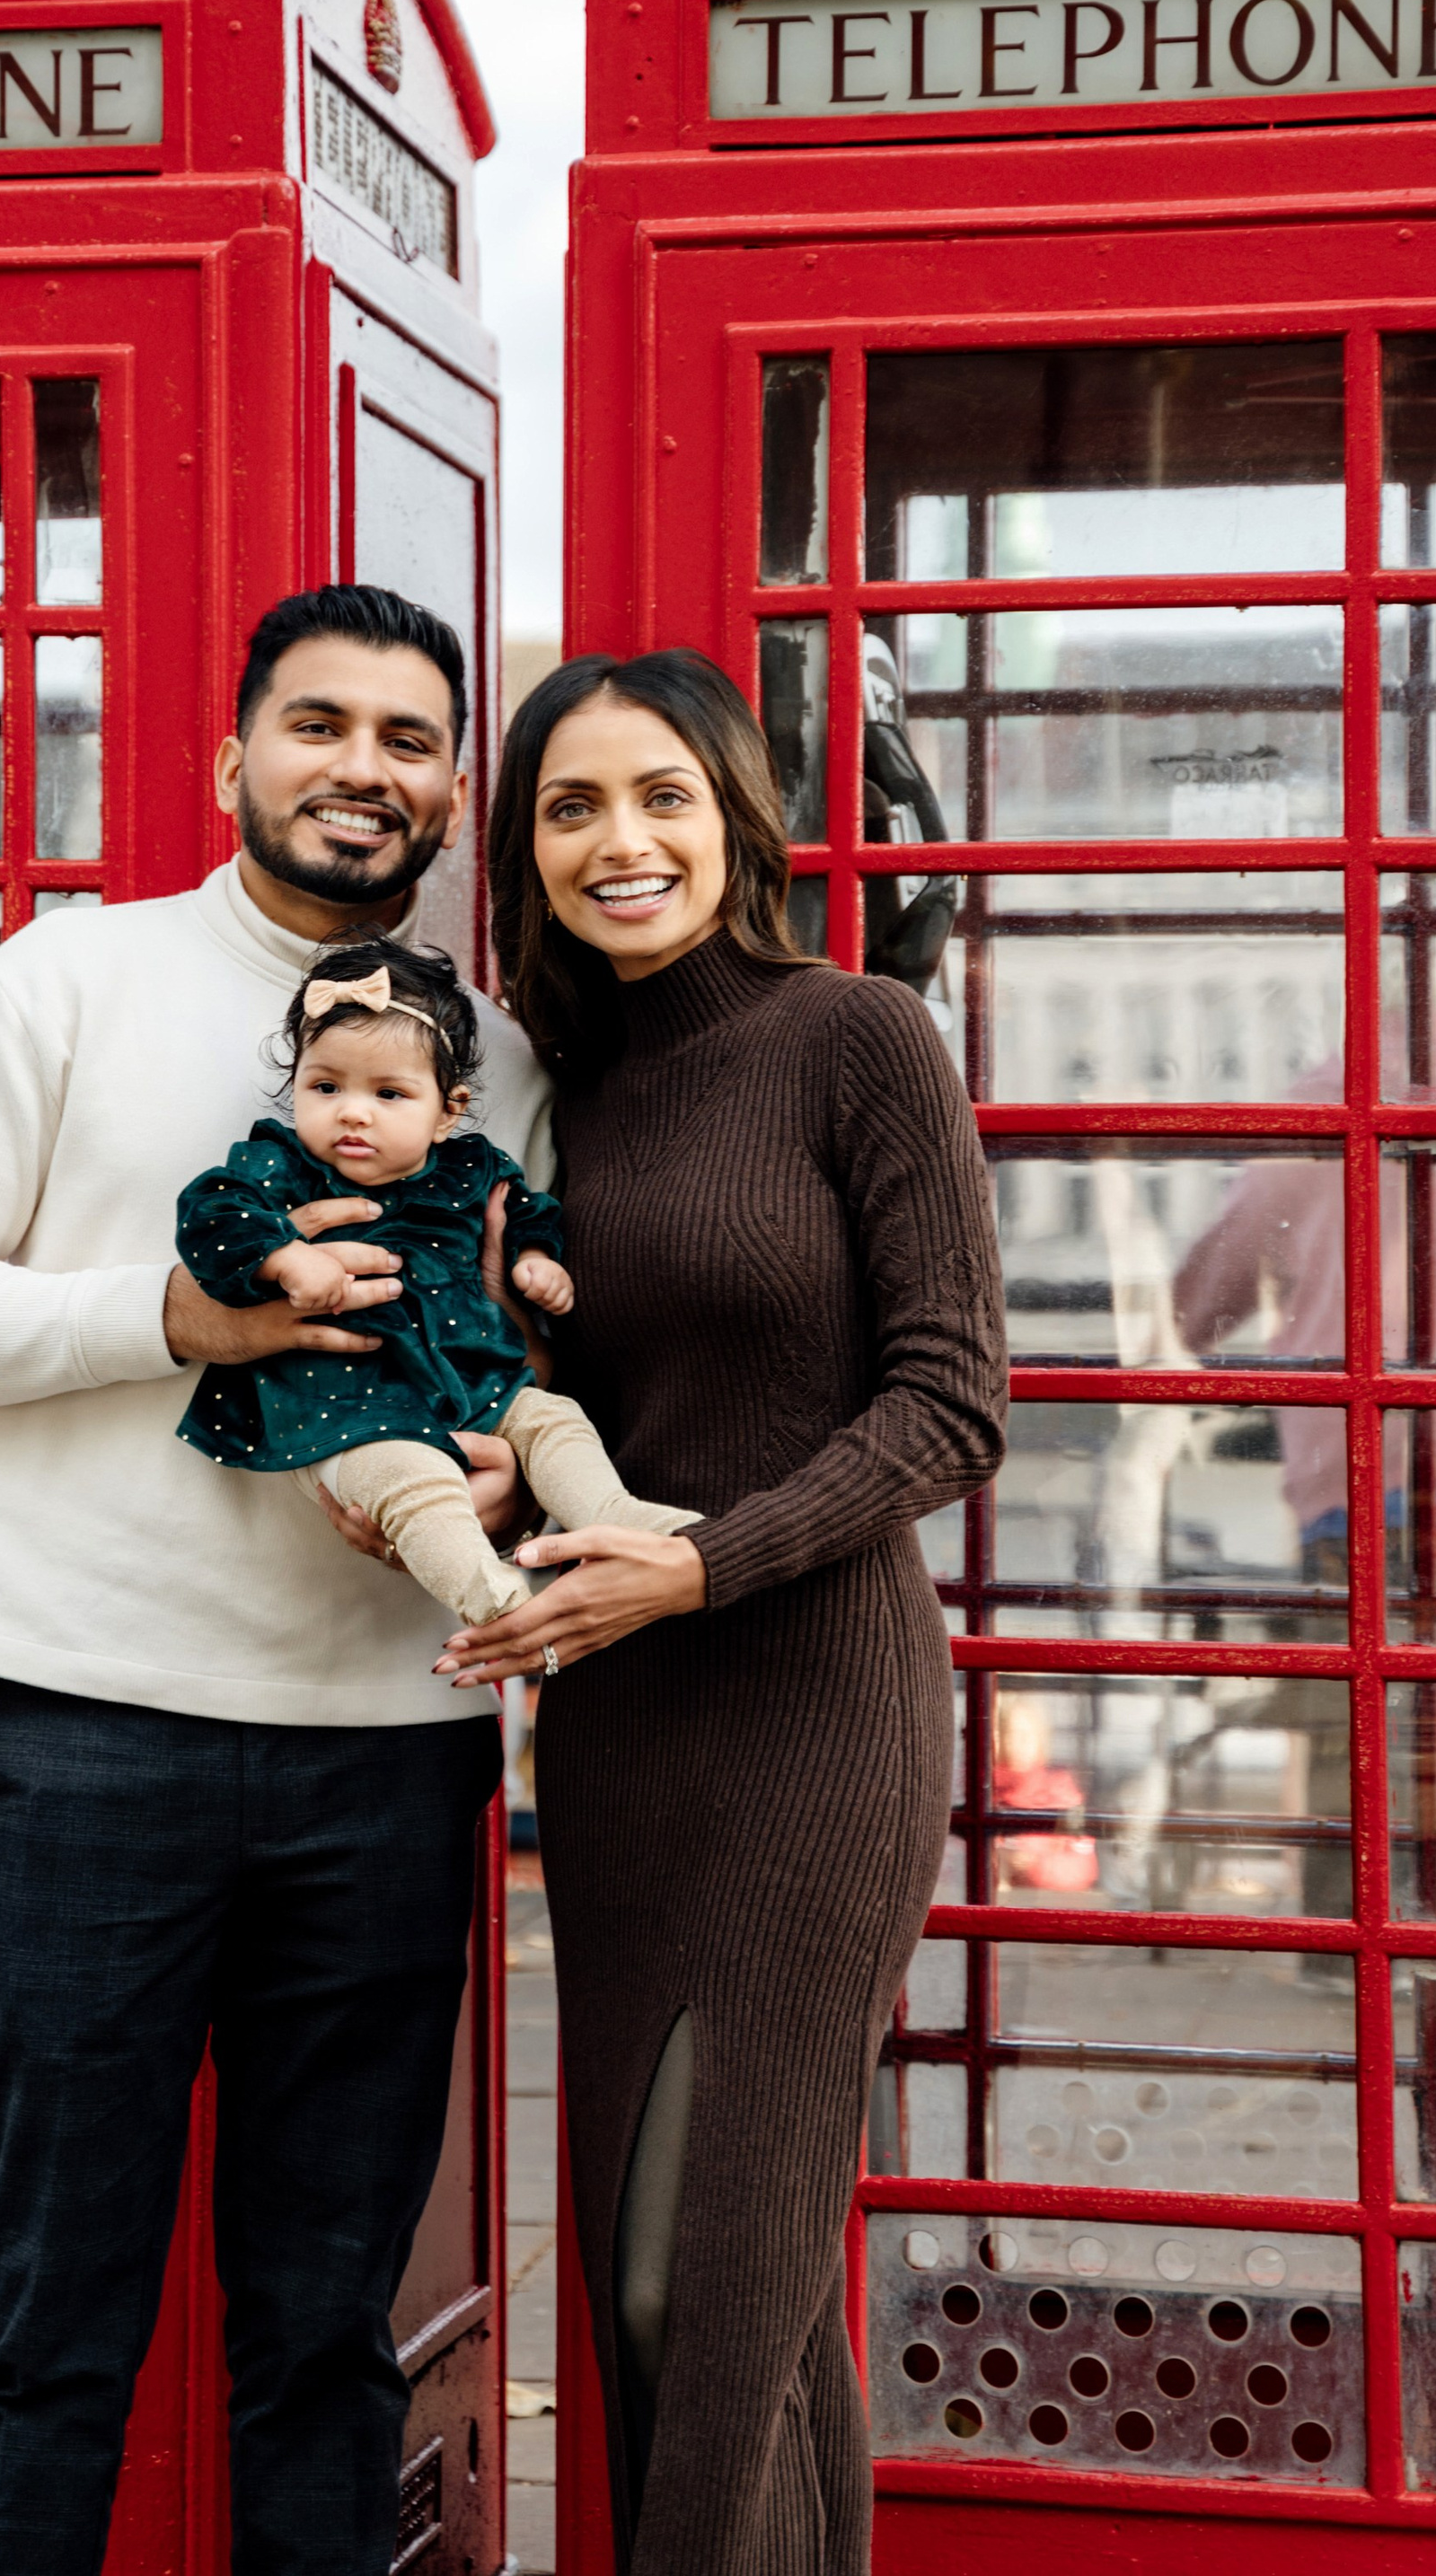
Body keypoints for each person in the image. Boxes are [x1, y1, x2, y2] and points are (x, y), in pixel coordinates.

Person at [0, 585, 550, 2576]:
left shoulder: (486, 1052)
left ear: (449, 788)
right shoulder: (64, 984)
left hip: (387, 1755)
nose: (361, 769)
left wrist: (494, 1439)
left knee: (324, 2342)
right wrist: (177, 1316)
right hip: (88, 1737)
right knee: (52, 2328)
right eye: (318, 726)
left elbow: (519, 1339)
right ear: (230, 761)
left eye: (408, 740)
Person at [440, 647, 1008, 2576]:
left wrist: (697, 1557)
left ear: (734, 820)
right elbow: (571, 1399)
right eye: (572, 805)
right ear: (524, 850)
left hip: (809, 1712)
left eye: (661, 794)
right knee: (689, 2297)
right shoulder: (551, 1091)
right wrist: (517, 1465)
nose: (621, 841)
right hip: (618, 1740)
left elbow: (951, 1401)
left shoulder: (856, 1038)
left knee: (709, 2284)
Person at [176, 930, 699, 1623]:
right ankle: (484, 1592)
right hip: (343, 1407)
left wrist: (534, 1262)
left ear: (447, 1110)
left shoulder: (471, 1169)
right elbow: (212, 1214)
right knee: (412, 1479)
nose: (353, 1111)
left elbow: (530, 1214)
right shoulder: (281, 1165)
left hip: (472, 1376)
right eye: (325, 1085)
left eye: (389, 1093)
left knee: (553, 1419)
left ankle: (612, 1513)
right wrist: (283, 1257)